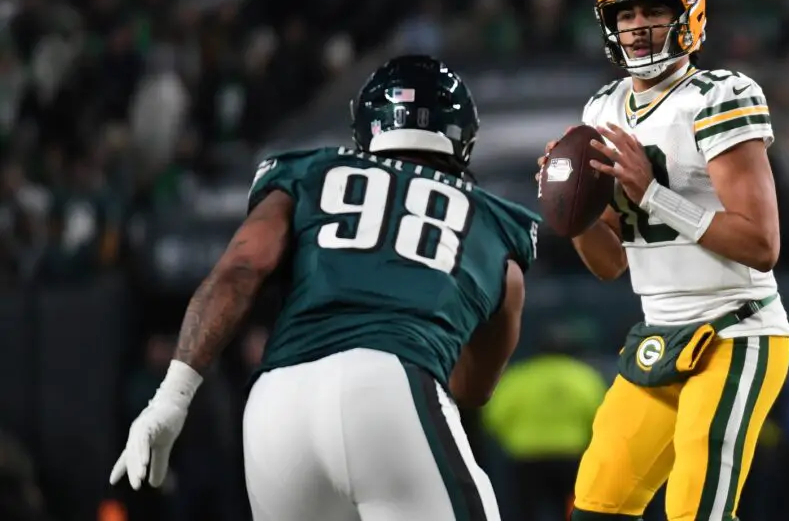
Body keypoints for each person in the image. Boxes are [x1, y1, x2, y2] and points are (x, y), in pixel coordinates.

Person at [110, 54, 541, 521]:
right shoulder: (496, 226)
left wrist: (171, 398)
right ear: (464, 139)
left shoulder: (307, 173)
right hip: (391, 385)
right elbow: (473, 389)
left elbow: (241, 268)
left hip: (276, 407)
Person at [536, 0, 789, 521]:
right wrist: (571, 215)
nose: (638, 26)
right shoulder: (602, 107)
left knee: (695, 510)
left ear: (687, 13)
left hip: (736, 330)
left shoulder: (720, 95)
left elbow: (762, 245)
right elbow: (609, 264)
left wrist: (654, 195)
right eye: (625, 15)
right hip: (657, 332)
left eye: (652, 9)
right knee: (597, 506)